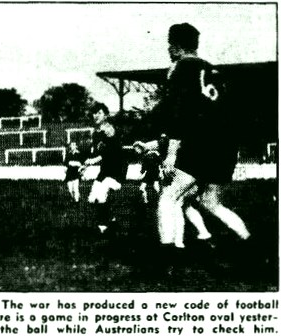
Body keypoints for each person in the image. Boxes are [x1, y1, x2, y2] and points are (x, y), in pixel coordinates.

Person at [139, 23, 250, 268]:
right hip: (225, 144)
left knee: (168, 196)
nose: (169, 50)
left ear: (175, 46)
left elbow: (179, 114)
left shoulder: (180, 68)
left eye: (170, 45)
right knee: (211, 202)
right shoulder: (212, 70)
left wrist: (171, 153)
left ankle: (166, 258)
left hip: (201, 143)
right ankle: (249, 244)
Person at [82, 103, 128, 234]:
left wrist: (91, 162)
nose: (96, 115)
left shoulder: (109, 130)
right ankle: (112, 221)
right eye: (94, 113)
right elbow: (100, 154)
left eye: (99, 113)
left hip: (117, 169)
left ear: (106, 115)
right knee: (92, 199)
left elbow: (108, 154)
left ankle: (103, 228)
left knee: (101, 195)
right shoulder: (96, 133)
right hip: (105, 169)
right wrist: (86, 164)